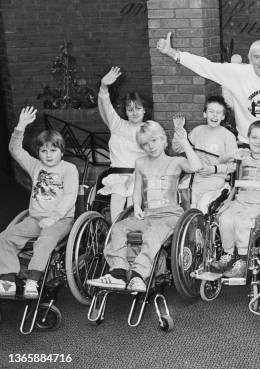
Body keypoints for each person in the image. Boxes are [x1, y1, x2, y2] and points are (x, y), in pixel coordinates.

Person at [87, 120, 205, 292]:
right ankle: (118, 273)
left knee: (152, 234)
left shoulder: (176, 162)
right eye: (145, 144)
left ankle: (137, 275)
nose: (150, 146)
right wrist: (136, 207)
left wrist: (184, 142)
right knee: (119, 228)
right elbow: (137, 189)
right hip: (148, 214)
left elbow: (197, 166)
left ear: (164, 140)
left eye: (154, 141)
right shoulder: (141, 162)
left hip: (170, 215)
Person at [0, 107, 78, 298]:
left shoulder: (69, 169)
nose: (48, 155)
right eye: (44, 150)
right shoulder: (35, 166)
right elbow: (15, 150)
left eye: (53, 150)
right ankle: (8, 279)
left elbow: (70, 196)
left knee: (45, 241)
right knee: (5, 237)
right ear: (38, 152)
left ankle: (32, 280)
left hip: (60, 220)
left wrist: (54, 218)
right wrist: (20, 126)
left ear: (61, 151)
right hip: (35, 219)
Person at [211, 120, 260, 279]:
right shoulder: (243, 154)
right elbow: (220, 160)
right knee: (225, 218)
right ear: (248, 138)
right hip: (241, 200)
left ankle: (242, 260)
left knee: (242, 222)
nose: (258, 142)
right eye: (254, 137)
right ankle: (228, 255)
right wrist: (233, 154)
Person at [96, 67, 148, 221]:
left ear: (145, 110)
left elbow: (157, 151)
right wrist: (104, 87)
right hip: (117, 175)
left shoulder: (149, 128)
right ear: (125, 111)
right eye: (130, 109)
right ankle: (115, 232)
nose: (134, 112)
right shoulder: (117, 125)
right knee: (118, 194)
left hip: (139, 176)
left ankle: (131, 232)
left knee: (133, 199)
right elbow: (106, 107)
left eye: (138, 108)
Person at [171, 96, 238, 211]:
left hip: (215, 179)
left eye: (218, 112)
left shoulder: (228, 137)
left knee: (197, 202)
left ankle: (196, 218)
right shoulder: (198, 131)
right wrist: (178, 130)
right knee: (180, 196)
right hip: (196, 176)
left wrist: (214, 169)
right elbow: (177, 148)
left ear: (223, 116)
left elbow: (233, 166)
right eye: (211, 111)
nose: (214, 115)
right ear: (205, 114)